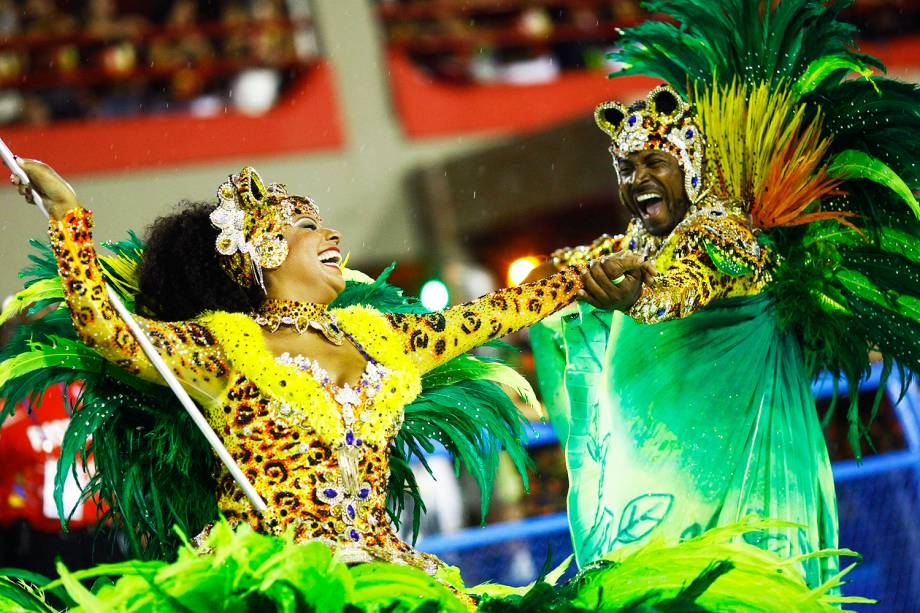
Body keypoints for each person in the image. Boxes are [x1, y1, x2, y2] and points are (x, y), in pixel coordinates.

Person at [9, 158, 637, 579]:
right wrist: (68, 218)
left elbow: (498, 311)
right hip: (274, 579)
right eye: (308, 225)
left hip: (388, 574)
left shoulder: (385, 338)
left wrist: (585, 280)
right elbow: (108, 330)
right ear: (262, 250)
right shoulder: (224, 348)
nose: (332, 232)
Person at [528, 0, 920, 592]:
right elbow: (560, 283)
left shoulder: (727, 233)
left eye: (653, 163)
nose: (638, 181)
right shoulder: (629, 243)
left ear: (688, 164)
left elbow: (684, 285)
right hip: (658, 506)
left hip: (738, 486)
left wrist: (641, 297)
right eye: (627, 169)